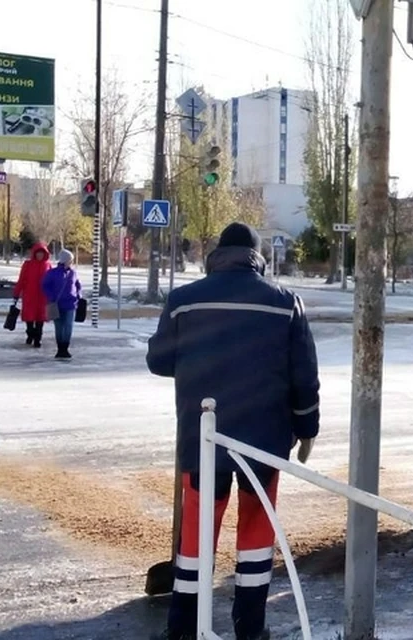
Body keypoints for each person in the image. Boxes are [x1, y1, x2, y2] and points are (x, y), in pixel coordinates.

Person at [146, 222, 321, 640]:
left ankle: (184, 628)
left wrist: (198, 359)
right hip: (265, 440)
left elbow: (157, 360)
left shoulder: (184, 301)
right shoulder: (284, 303)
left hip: (203, 439)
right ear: (257, 256)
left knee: (197, 535)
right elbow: (304, 376)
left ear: (217, 254)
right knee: (258, 533)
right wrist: (307, 427)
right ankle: (250, 628)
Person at [40, 249, 82, 360]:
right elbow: (45, 286)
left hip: (70, 304)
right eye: (70, 260)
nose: (71, 262)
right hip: (56, 304)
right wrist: (51, 297)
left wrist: (78, 296)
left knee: (68, 326)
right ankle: (60, 349)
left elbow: (78, 285)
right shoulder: (53, 273)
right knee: (59, 327)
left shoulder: (73, 273)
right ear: (64, 260)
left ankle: (65, 348)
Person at [12, 242, 52, 348]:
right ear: (34, 254)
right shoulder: (28, 265)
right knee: (29, 319)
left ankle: (38, 339)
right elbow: (21, 280)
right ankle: (30, 334)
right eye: (38, 253)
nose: (40, 256)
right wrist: (16, 293)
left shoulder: (48, 265)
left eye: (42, 254)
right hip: (29, 296)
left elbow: (52, 281)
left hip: (43, 297)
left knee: (40, 320)